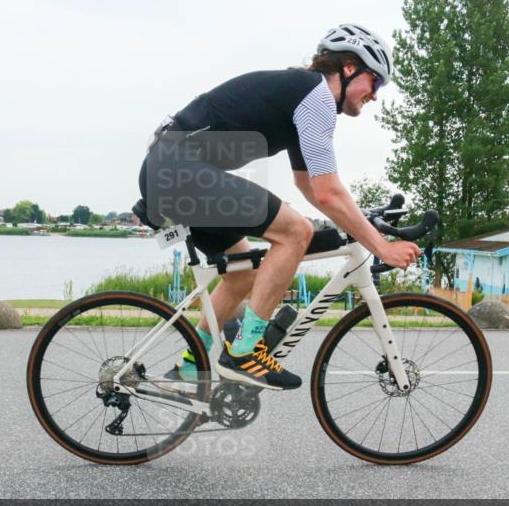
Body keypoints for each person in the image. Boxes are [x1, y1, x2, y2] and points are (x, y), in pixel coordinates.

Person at [138, 24, 421, 391]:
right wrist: (380, 247)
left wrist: (362, 222)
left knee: (241, 274)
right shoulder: (316, 96)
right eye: (376, 82)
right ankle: (245, 353)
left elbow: (310, 184)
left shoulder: (302, 98)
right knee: (296, 231)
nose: (376, 95)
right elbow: (327, 193)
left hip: (171, 171)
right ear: (349, 67)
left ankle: (191, 367)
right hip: (179, 171)